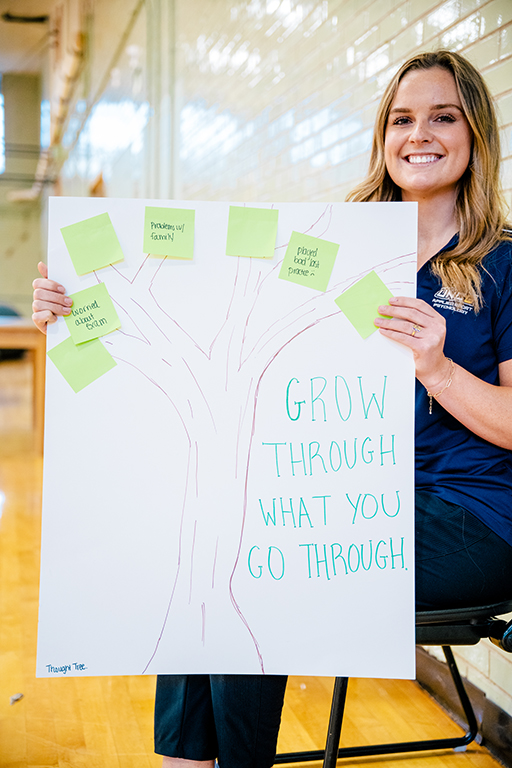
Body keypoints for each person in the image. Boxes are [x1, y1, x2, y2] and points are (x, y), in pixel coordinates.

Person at [32, 49, 512, 767]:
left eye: (443, 116)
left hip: (473, 515)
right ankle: (185, 761)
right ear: (383, 138)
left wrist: (438, 370)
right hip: (363, 496)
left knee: (262, 561)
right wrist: (83, 309)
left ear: (476, 133)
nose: (421, 134)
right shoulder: (341, 248)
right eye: (402, 119)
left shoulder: (501, 262)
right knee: (214, 527)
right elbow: (212, 307)